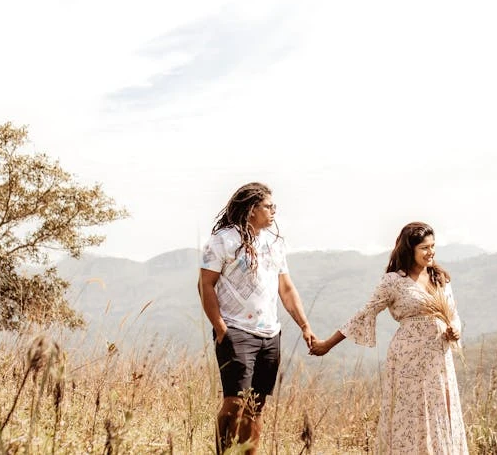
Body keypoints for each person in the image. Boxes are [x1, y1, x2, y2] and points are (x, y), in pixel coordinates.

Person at [310, 221, 468, 454]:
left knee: (439, 411)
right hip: (408, 359)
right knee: (410, 413)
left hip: (439, 358)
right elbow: (365, 313)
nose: (431, 252)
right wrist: (328, 344)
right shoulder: (394, 281)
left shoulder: (440, 278)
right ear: (410, 250)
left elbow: (453, 315)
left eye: (433, 246)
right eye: (424, 248)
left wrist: (455, 329)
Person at [198, 182, 316, 453]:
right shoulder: (222, 241)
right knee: (235, 403)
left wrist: (304, 325)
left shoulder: (274, 243)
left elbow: (286, 288)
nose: (274, 211)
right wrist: (220, 327)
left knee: (256, 406)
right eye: (268, 206)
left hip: (270, 333)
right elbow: (205, 285)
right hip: (236, 329)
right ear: (252, 209)